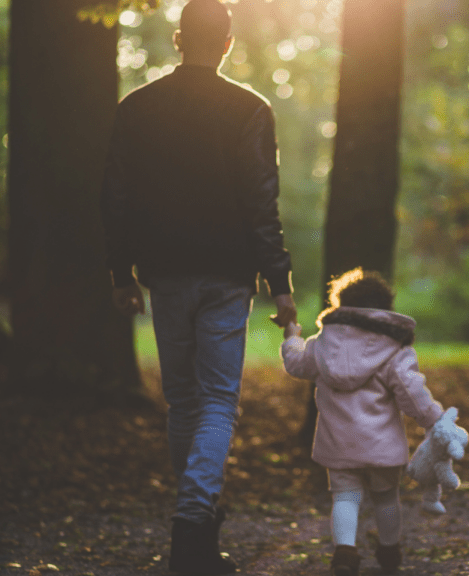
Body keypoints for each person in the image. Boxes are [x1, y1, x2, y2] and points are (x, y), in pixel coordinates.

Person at [100, 1, 296, 573]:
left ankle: (198, 538)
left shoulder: (137, 108)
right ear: (229, 42)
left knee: (183, 402)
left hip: (163, 274)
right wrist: (280, 282)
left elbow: (116, 195)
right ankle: (193, 526)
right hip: (228, 275)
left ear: (179, 39)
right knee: (216, 402)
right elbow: (263, 203)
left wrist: (120, 272)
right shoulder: (250, 110)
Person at [280, 268, 447, 576]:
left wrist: (292, 339)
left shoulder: (322, 344)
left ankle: (345, 554)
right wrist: (434, 419)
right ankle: (389, 551)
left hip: (338, 442)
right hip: (382, 446)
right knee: (386, 497)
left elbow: (296, 363)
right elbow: (412, 392)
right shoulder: (394, 348)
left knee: (344, 497)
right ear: (385, 309)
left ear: (341, 305)